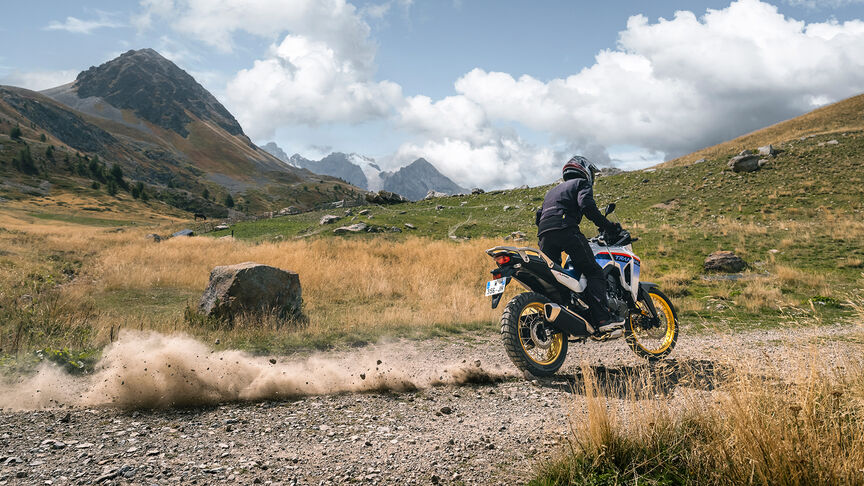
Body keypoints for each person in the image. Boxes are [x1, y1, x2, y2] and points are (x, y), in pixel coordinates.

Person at [535, 155, 624, 332]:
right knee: (594, 271)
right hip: (566, 229)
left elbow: (539, 216)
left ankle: (564, 315)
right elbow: (587, 207)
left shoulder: (551, 191)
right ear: (585, 171)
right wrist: (608, 226)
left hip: (544, 234)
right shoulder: (581, 184)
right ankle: (602, 320)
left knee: (555, 277)